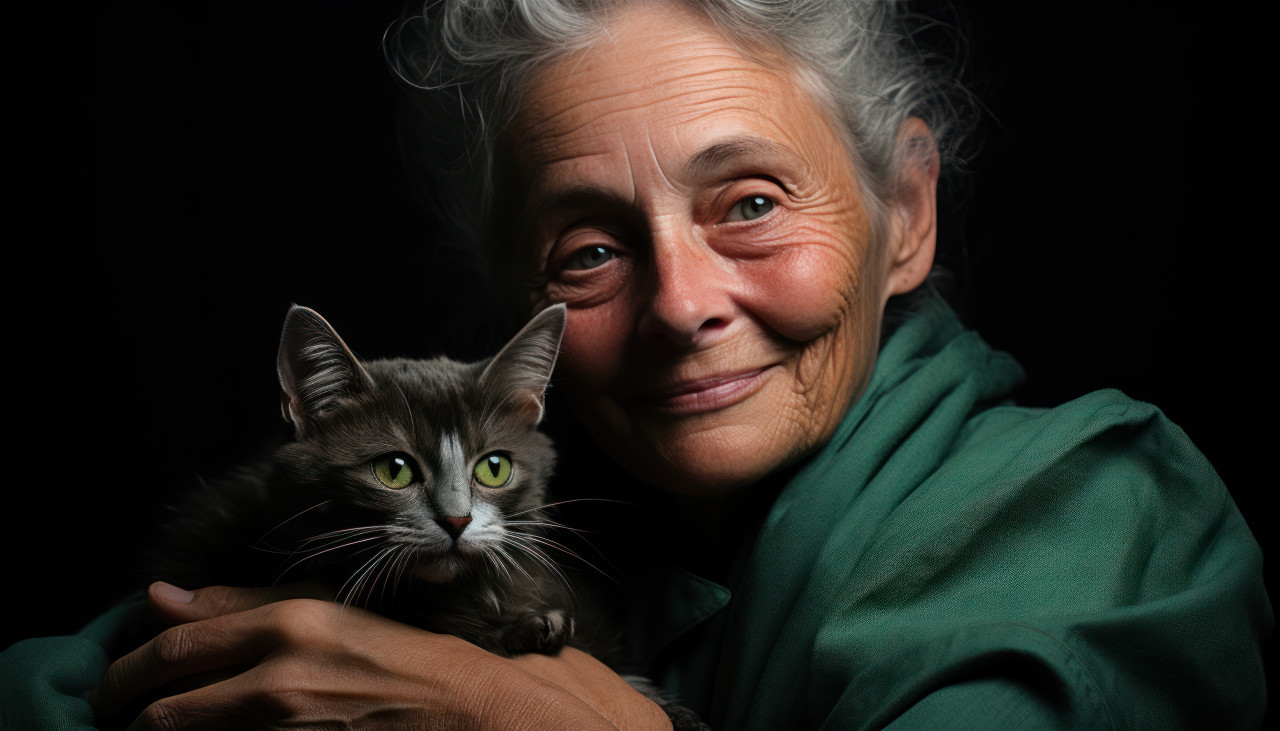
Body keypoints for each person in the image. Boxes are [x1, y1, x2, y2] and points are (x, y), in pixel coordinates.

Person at [1, 0, 1270, 728]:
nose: (678, 303)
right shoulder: (560, 510)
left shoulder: (1097, 515)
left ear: (904, 214)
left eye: (751, 203)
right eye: (591, 249)